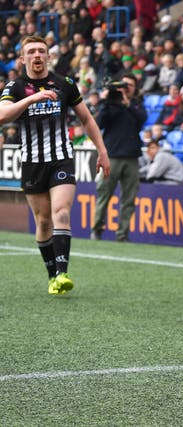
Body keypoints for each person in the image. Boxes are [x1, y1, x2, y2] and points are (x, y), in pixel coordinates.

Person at [0, 35, 111, 294]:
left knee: (61, 212)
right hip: (31, 163)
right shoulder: (15, 87)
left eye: (41, 51)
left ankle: (63, 273)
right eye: (31, 52)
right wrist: (31, 100)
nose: (37, 55)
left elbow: (87, 119)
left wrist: (102, 151)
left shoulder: (65, 83)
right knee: (43, 222)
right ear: (22, 58)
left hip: (61, 157)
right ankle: (52, 276)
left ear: (49, 56)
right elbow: (2, 116)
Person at [91, 73, 147, 242]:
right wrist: (105, 101)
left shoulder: (136, 105)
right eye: (123, 85)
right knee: (104, 194)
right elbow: (98, 123)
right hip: (112, 156)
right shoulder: (110, 105)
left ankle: (122, 233)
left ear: (134, 88)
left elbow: (142, 120)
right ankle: (97, 229)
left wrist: (127, 103)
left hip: (131, 157)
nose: (126, 88)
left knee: (129, 198)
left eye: (129, 85)